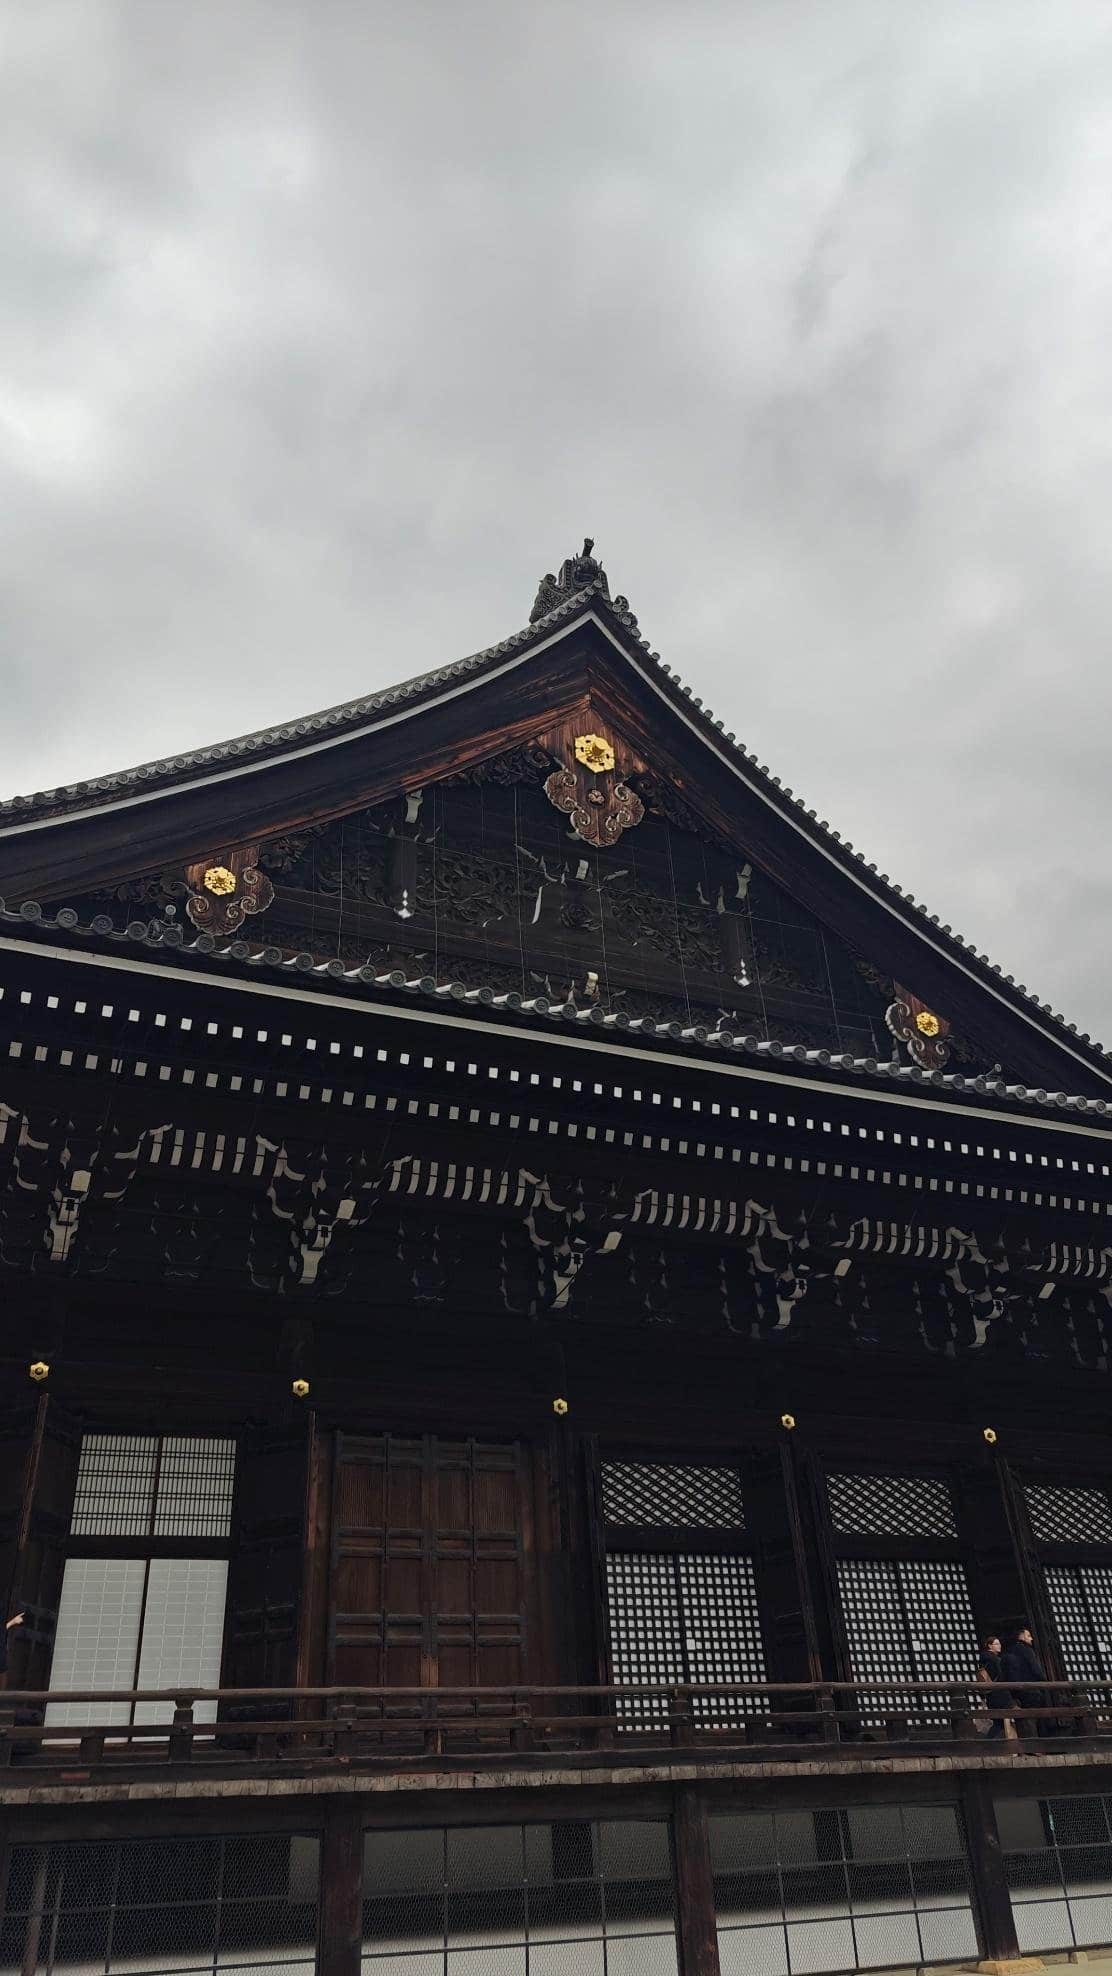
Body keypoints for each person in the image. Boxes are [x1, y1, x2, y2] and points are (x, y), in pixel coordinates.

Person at [1003, 1625, 1049, 1740]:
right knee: (1033, 1717)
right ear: (1022, 1636)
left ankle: (1026, 1743)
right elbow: (1035, 1668)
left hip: (1017, 1689)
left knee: (1024, 1718)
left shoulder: (1010, 1650)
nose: (1031, 1638)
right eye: (1029, 1636)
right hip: (1031, 1687)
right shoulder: (1027, 1650)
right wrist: (1044, 1680)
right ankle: (1035, 1744)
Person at [977, 1634, 1015, 1740]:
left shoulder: (984, 1660)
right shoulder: (994, 1660)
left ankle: (988, 1744)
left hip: (991, 1694)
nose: (999, 1646)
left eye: (999, 1643)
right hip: (1000, 1694)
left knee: (999, 1722)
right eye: (996, 1644)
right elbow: (1002, 1675)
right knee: (1005, 1719)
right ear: (990, 1646)